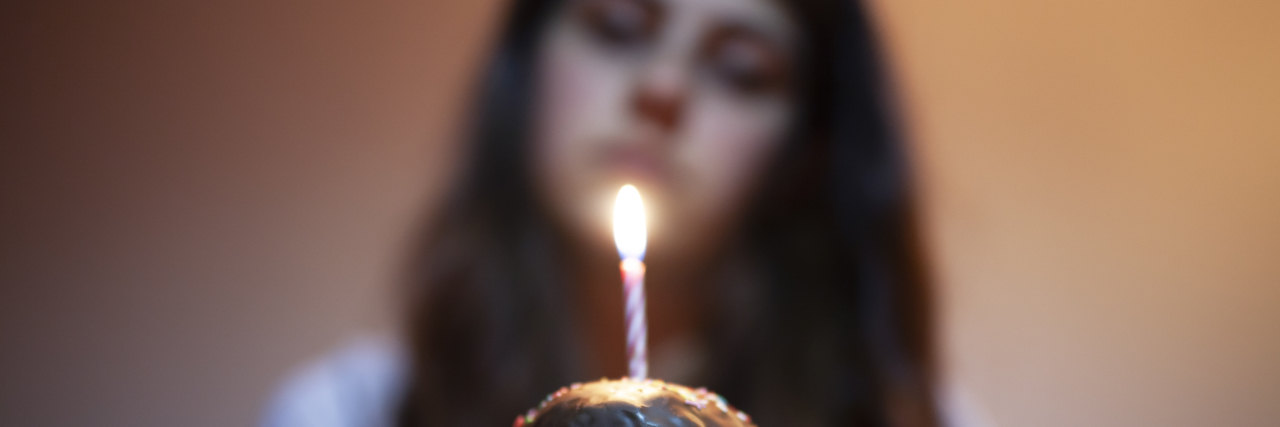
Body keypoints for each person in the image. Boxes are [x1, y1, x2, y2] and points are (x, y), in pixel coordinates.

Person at [264, 0, 937, 425]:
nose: (663, 88)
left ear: (805, 152)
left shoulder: (910, 417)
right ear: (527, 68)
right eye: (618, 27)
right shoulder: (347, 412)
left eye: (740, 68)